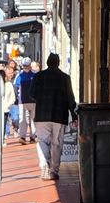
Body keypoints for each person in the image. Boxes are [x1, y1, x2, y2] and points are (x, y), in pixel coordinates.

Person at [30, 52, 77, 180]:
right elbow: (70, 98)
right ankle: (54, 170)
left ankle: (45, 163)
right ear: (58, 63)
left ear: (47, 63)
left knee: (42, 141)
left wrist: (42, 98)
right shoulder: (65, 78)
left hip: (41, 115)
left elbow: (32, 94)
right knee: (56, 144)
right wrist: (74, 115)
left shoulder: (39, 76)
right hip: (59, 115)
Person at [14, 57, 37, 143]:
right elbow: (15, 87)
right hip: (22, 101)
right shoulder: (19, 75)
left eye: (27, 66)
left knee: (33, 119)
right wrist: (16, 98)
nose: (25, 67)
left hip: (33, 101)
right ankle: (22, 137)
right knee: (22, 120)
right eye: (24, 66)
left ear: (30, 65)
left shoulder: (35, 75)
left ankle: (33, 137)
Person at [2, 61, 17, 144]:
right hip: (2, 107)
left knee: (7, 122)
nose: (11, 74)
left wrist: (8, 105)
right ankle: (4, 136)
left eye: (12, 73)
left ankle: (4, 136)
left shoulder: (9, 83)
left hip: (7, 108)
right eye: (9, 73)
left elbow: (12, 97)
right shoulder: (3, 82)